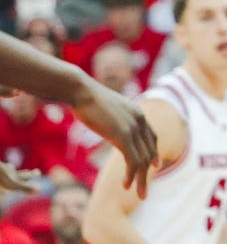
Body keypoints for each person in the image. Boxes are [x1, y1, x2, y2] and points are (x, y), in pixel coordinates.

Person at [83, 0, 227, 244]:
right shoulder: (165, 111)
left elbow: (207, 217)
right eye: (206, 17)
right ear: (182, 36)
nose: (222, 27)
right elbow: (100, 223)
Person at [0, 30, 155, 197]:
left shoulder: (145, 105)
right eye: (105, 66)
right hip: (71, 183)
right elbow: (54, 155)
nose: (110, 72)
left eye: (115, 66)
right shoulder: (70, 109)